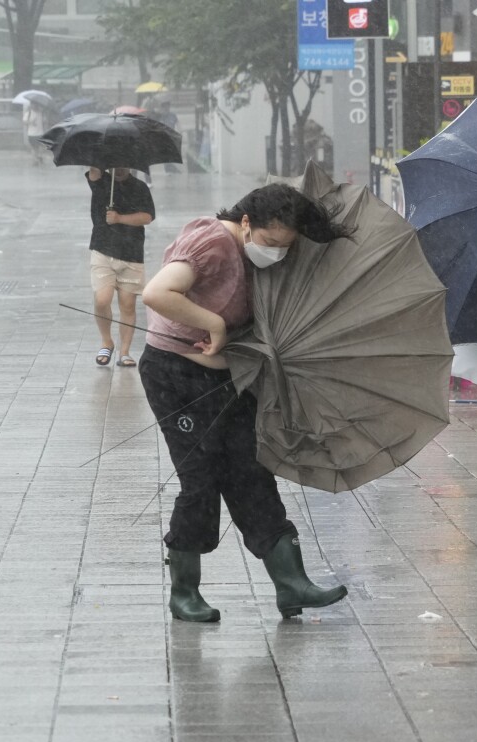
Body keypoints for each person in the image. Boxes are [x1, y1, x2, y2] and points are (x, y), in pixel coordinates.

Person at [139, 184, 354, 623]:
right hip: (174, 376)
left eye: (285, 246)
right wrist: (213, 323)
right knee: (200, 480)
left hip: (224, 377)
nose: (276, 253)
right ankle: (184, 592)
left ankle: (291, 584)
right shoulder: (212, 242)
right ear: (246, 223)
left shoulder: (258, 249)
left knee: (250, 470)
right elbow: (157, 294)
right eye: (271, 243)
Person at [86, 167, 155, 367]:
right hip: (102, 249)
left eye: (124, 163)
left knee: (127, 305)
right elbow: (93, 172)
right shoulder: (101, 182)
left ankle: (124, 351)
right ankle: (107, 341)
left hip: (131, 253)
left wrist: (119, 219)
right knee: (102, 299)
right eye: (115, 163)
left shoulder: (140, 187)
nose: (120, 167)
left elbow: (148, 217)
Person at [22, 101, 48, 165]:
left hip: (40, 133)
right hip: (32, 134)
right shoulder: (28, 113)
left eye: (36, 105)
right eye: (33, 105)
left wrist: (45, 121)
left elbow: (44, 122)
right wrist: (31, 122)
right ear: (31, 105)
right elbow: (24, 122)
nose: (35, 106)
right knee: (34, 148)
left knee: (42, 147)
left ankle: (39, 157)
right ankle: (35, 160)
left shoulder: (41, 113)